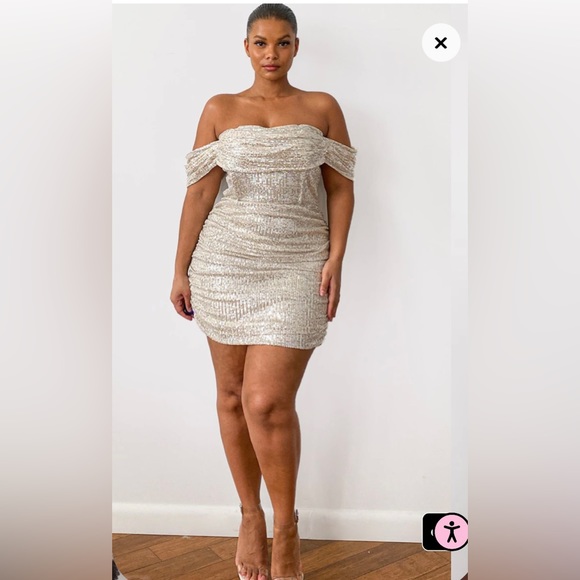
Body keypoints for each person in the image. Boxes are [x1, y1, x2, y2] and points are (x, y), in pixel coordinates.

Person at [170, 4, 356, 579]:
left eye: (282, 42)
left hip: (298, 264)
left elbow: (340, 189)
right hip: (224, 264)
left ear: (297, 46)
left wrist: (336, 258)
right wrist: (180, 269)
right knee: (232, 396)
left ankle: (287, 525)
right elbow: (201, 194)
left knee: (266, 402)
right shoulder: (219, 109)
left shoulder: (322, 107)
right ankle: (251, 516)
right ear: (246, 46)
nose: (271, 53)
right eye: (260, 42)